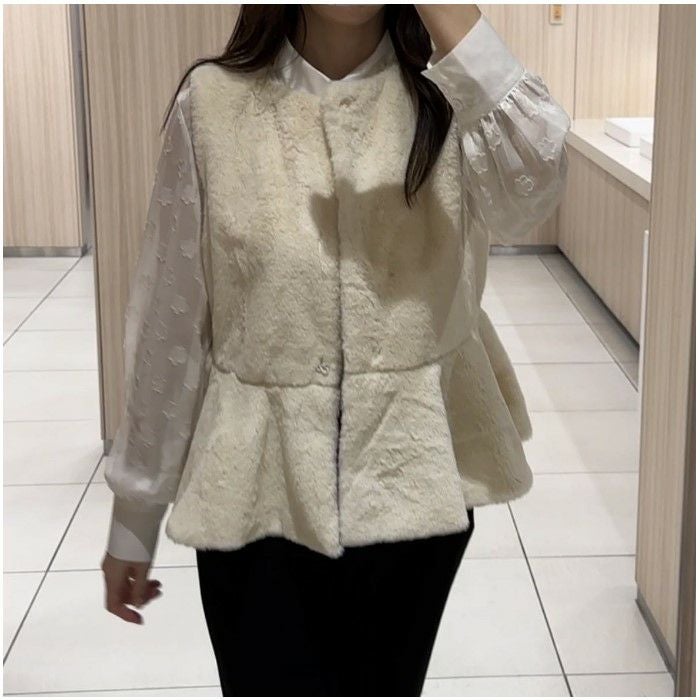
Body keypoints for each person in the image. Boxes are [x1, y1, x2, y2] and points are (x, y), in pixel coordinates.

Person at [101, 4, 570, 696]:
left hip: (413, 488)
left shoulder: (452, 100)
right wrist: (135, 518)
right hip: (254, 495)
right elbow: (170, 321)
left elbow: (534, 189)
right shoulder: (212, 106)